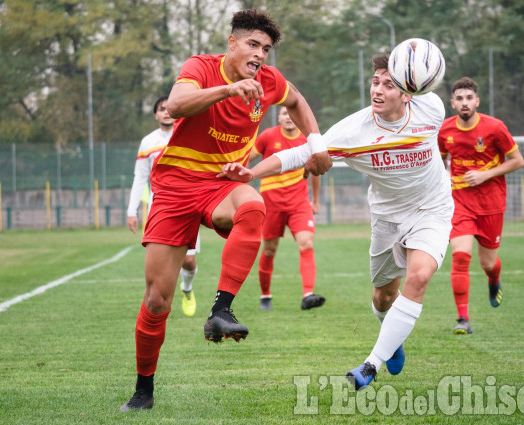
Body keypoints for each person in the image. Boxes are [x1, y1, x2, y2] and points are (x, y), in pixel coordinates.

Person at [120, 9, 331, 412]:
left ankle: (220, 310)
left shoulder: (270, 81)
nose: (260, 55)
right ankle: (143, 389)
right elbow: (179, 104)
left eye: (266, 49)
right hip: (175, 188)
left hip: (221, 183)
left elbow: (298, 100)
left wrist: (316, 142)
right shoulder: (201, 67)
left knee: (254, 205)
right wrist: (227, 91)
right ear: (232, 43)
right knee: (156, 300)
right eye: (253, 45)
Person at [219, 54, 454, 391]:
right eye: (375, 81)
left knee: (418, 278)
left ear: (407, 92)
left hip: (432, 210)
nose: (378, 89)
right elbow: (297, 155)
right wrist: (251, 173)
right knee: (383, 297)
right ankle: (392, 338)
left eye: (389, 84)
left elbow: (423, 71)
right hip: (387, 219)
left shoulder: (431, 108)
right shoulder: (353, 130)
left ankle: (371, 363)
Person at [437, 77, 524, 335]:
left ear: (477, 101)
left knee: (488, 262)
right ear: (453, 103)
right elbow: (440, 163)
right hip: (459, 202)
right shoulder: (444, 131)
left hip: (491, 203)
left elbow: (517, 161)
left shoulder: (495, 127)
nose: (464, 103)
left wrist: (485, 175)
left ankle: (493, 278)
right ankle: (463, 319)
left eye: (468, 98)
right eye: (459, 99)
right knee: (461, 256)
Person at [126, 96, 200, 318]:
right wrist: (132, 211)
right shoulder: (148, 142)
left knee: (188, 260)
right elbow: (139, 178)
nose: (167, 112)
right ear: (156, 115)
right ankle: (157, 303)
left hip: (188, 205)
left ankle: (187, 289)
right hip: (159, 209)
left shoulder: (187, 135)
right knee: (159, 264)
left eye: (170, 107)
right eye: (161, 109)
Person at [249, 106, 325, 311]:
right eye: (284, 113)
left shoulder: (308, 141)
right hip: (271, 204)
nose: (289, 117)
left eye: (291, 113)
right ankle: (265, 295)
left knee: (306, 243)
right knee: (269, 250)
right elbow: (247, 159)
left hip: (299, 203)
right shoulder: (267, 137)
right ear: (279, 118)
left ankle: (308, 294)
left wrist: (315, 200)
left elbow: (316, 171)